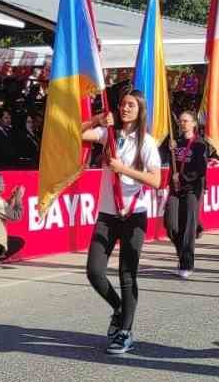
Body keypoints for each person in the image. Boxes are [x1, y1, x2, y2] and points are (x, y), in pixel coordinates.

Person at [81, 90, 162, 355]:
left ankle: (125, 331)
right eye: (123, 104)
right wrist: (97, 119)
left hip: (133, 214)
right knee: (94, 271)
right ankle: (118, 308)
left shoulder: (147, 142)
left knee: (127, 273)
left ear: (140, 111)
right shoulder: (109, 136)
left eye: (131, 105)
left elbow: (156, 180)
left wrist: (123, 169)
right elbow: (76, 133)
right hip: (107, 213)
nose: (125, 108)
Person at [165, 110, 208, 278]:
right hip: (176, 189)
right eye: (181, 121)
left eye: (186, 121)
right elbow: (170, 162)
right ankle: (182, 252)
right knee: (171, 224)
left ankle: (187, 264)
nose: (183, 124)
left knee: (188, 228)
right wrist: (170, 150)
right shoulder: (177, 143)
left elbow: (201, 169)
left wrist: (182, 177)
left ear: (194, 123)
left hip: (192, 189)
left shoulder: (200, 144)